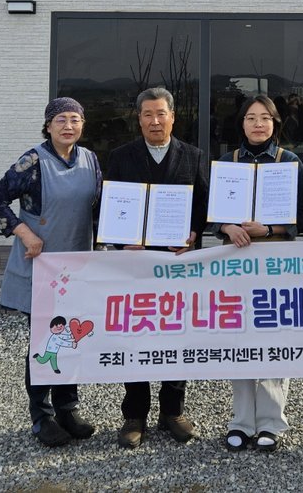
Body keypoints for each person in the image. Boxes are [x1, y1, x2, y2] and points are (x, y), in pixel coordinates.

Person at [0, 96, 102, 448]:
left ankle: (68, 409)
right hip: (41, 264)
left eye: (75, 119)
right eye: (61, 119)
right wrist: (25, 233)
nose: (68, 126)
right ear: (48, 125)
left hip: (77, 264)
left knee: (73, 338)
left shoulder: (90, 160)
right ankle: (41, 415)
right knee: (45, 339)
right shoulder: (33, 161)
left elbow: (99, 208)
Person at [104, 87, 209, 449]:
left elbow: (204, 205)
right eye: (147, 114)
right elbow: (108, 206)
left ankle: (173, 411)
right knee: (135, 334)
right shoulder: (120, 157)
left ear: (173, 117)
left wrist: (193, 233)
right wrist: (121, 242)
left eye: (161, 113)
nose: (154, 121)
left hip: (178, 263)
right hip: (135, 264)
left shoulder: (193, 156)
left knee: (177, 333)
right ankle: (134, 415)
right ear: (139, 119)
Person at [217, 94, 303, 453]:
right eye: (250, 118)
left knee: (275, 335)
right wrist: (227, 227)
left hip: (276, 262)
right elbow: (213, 213)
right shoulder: (227, 162)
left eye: (265, 118)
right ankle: (241, 421)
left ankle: (272, 422)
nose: (258, 124)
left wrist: (270, 229)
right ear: (241, 123)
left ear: (275, 123)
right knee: (239, 336)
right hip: (236, 261)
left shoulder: (289, 162)